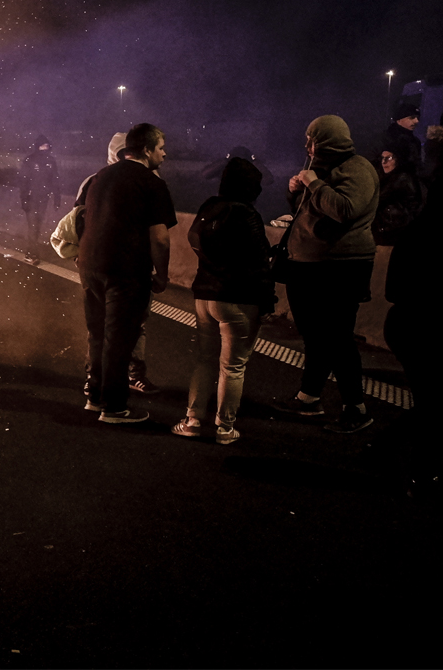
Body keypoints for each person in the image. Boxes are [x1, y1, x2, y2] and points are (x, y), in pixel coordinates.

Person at [273, 115, 379, 433]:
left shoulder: (357, 168)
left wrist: (313, 183)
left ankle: (355, 407)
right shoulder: (321, 169)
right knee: (315, 336)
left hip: (340, 266)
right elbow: (308, 211)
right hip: (309, 264)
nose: (307, 145)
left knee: (337, 337)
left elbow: (345, 209)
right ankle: (309, 398)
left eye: (313, 139)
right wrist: (296, 191)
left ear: (328, 139)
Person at [78, 123, 176, 424]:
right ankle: (114, 407)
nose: (165, 153)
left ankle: (94, 397)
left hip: (90, 267)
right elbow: (159, 238)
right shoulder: (152, 183)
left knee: (97, 334)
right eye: (160, 147)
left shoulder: (100, 177)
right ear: (146, 150)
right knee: (119, 340)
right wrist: (162, 274)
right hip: (126, 272)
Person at [172, 158, 275, 444]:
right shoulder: (247, 215)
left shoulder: (209, 207)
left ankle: (192, 421)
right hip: (238, 299)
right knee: (232, 366)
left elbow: (195, 239)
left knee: (204, 360)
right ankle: (225, 428)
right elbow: (260, 263)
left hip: (205, 295)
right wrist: (268, 303)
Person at [383, 191, 442, 497]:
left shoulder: (413, 234)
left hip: (405, 324)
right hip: (423, 329)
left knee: (430, 400)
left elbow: (392, 291)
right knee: (433, 402)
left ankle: (387, 447)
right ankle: (421, 473)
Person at [373, 144, 424, 246]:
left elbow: (377, 200)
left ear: (398, 159)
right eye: (382, 158)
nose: (384, 162)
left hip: (396, 231)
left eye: (388, 158)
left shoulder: (401, 179)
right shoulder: (393, 177)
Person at [20, 136, 58, 259]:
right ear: (37, 146)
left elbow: (55, 181)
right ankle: (31, 252)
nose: (45, 148)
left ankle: (32, 249)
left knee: (38, 225)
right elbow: (24, 181)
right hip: (31, 199)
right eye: (42, 146)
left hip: (44, 199)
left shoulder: (51, 161)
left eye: (47, 146)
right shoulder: (30, 160)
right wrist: (24, 199)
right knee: (33, 226)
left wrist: (57, 199)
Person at [377, 102, 421, 176]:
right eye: (412, 117)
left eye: (418, 118)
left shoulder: (415, 141)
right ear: (399, 120)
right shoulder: (384, 139)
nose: (416, 121)